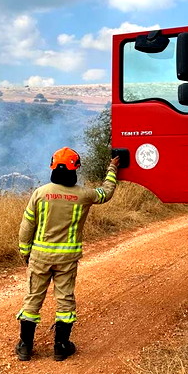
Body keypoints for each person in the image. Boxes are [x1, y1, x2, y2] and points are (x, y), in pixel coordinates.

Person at [16, 148, 120, 362]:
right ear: (76, 168)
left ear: (52, 166)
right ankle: (61, 347)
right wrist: (113, 169)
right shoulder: (84, 195)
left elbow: (27, 226)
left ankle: (25, 346)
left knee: (33, 298)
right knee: (65, 300)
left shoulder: (40, 193)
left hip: (40, 257)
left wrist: (25, 251)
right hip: (67, 259)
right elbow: (106, 193)